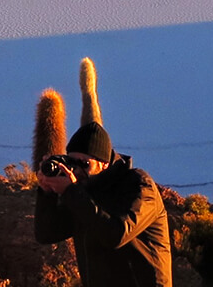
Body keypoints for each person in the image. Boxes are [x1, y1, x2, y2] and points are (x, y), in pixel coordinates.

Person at [34, 122, 174, 287]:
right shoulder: (84, 191)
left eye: (84, 164)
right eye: (72, 161)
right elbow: (47, 233)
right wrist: (47, 193)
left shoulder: (138, 186)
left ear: (104, 163)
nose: (77, 169)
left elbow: (116, 234)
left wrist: (72, 192)